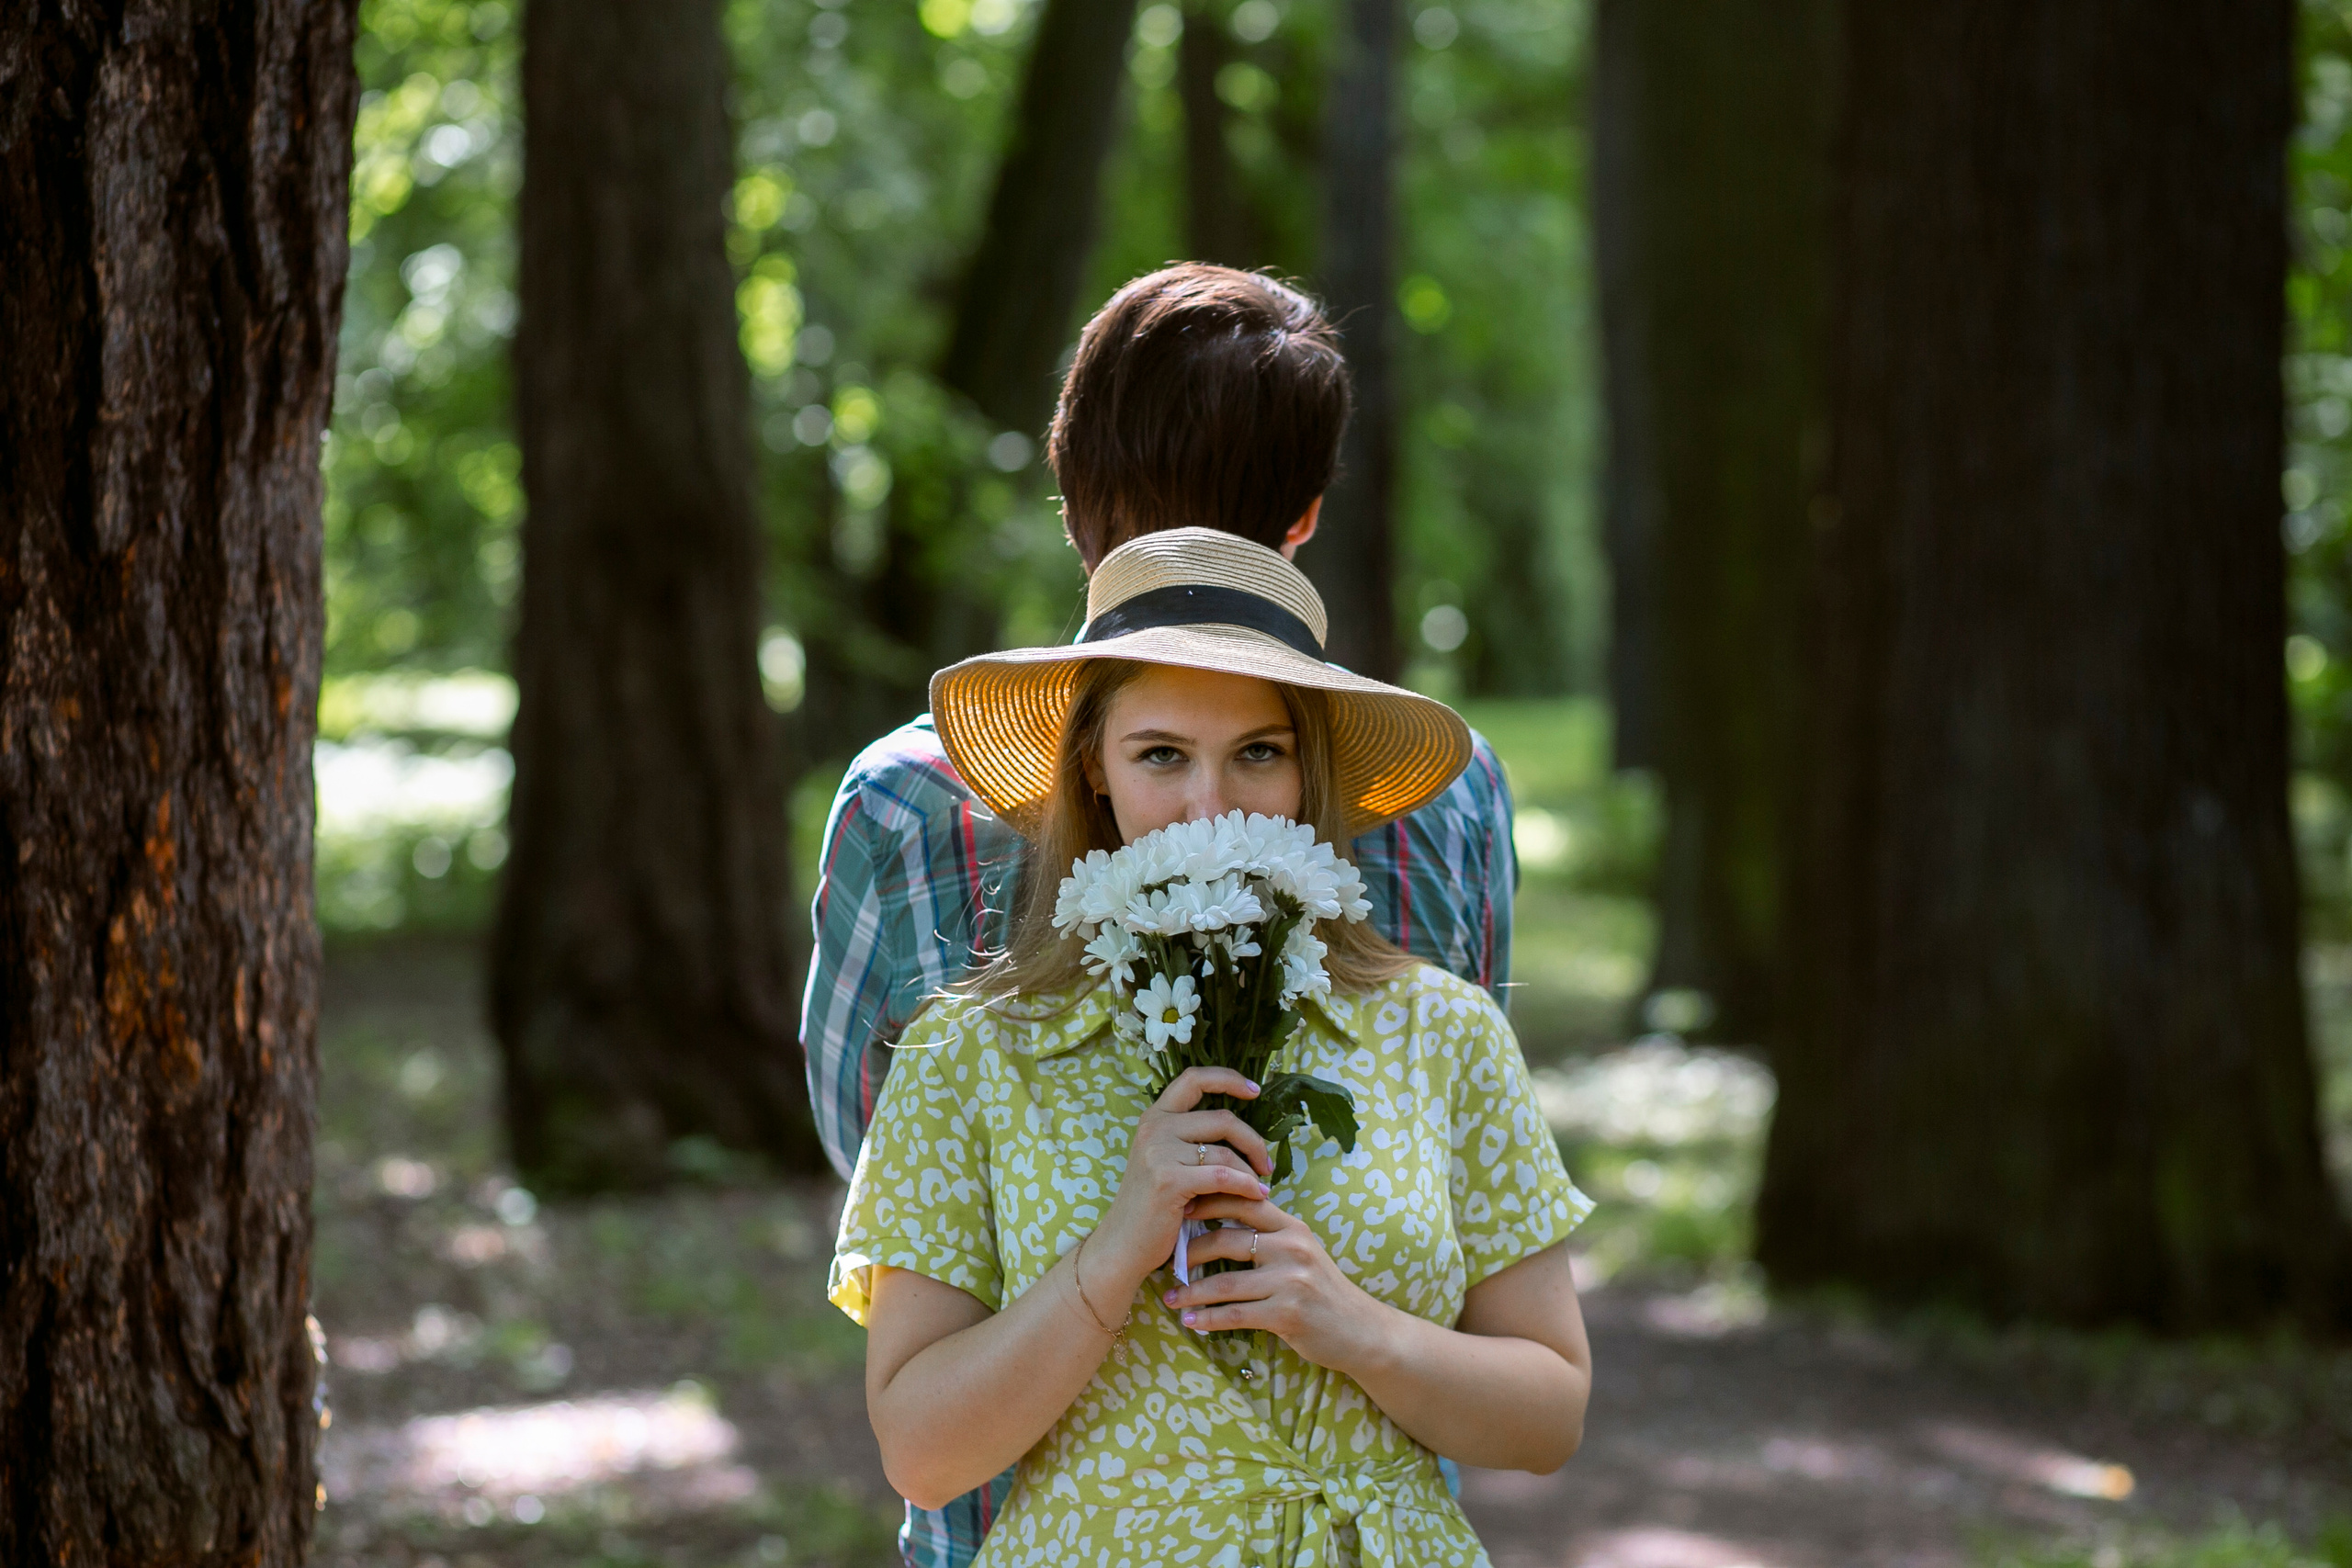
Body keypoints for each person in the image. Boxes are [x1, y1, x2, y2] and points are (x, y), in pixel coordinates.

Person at [800, 265, 1521, 1566]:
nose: (1209, 807)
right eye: (1154, 761)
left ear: (1071, 500)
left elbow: (878, 1176)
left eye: (1260, 756)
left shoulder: (904, 803)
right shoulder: (1449, 796)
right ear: (1305, 520)